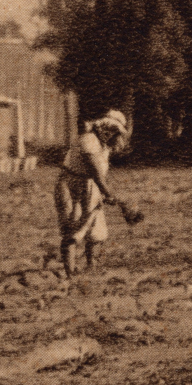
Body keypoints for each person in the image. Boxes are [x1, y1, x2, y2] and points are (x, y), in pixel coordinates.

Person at [55, 109, 130, 277]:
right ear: (104, 127)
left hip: (90, 187)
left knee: (95, 228)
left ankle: (91, 265)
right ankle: (70, 272)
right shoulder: (88, 141)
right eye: (113, 131)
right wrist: (109, 195)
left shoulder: (104, 145)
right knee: (73, 228)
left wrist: (104, 194)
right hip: (72, 185)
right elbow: (96, 173)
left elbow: (100, 175)